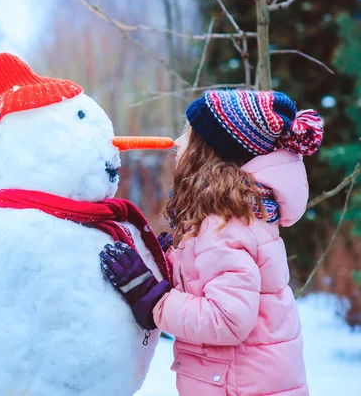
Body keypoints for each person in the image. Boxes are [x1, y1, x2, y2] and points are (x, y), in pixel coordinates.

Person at [100, 90, 324, 396]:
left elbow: (227, 319)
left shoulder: (225, 224)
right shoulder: (237, 214)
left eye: (188, 135)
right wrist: (175, 259)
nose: (177, 143)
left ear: (211, 153)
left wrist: (151, 298)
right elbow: (215, 278)